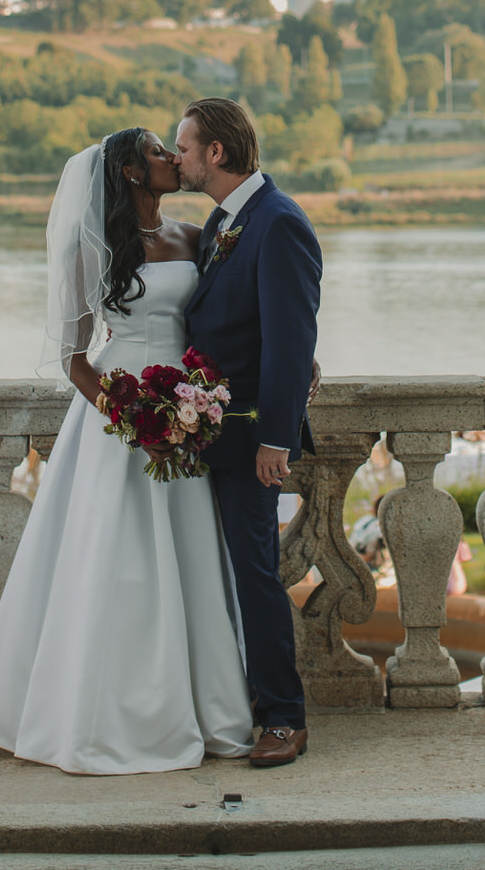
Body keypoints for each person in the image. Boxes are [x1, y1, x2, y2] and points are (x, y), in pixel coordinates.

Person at [0, 127, 255, 774]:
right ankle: (92, 717)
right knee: (110, 563)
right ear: (127, 172)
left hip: (190, 411)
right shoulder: (94, 249)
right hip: (122, 416)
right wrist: (132, 415)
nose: (172, 159)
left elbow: (232, 315)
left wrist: (203, 399)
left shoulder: (195, 238)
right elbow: (75, 361)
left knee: (190, 558)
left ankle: (205, 709)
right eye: (156, 152)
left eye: (172, 150)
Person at [176, 98, 323, 769]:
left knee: (255, 574)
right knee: (213, 575)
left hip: (248, 442)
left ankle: (283, 717)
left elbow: (292, 344)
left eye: (185, 146)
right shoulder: (222, 222)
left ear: (217, 153)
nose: (178, 158)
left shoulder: (279, 223)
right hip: (206, 436)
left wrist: (276, 440)